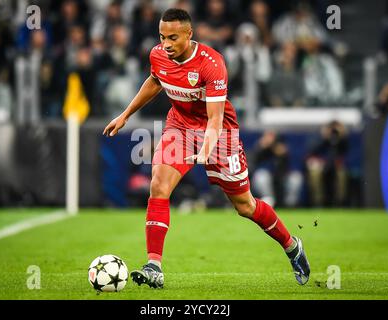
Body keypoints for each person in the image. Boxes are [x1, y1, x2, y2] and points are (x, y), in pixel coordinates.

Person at [103, 8, 310, 288]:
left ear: (189, 34)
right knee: (159, 186)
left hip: (220, 135)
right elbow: (155, 80)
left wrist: (206, 149)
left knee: (245, 206)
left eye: (173, 37)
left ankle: (291, 246)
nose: (166, 44)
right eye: (162, 37)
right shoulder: (158, 55)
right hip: (179, 127)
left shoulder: (211, 64)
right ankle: (154, 266)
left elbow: (214, 118)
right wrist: (125, 114)